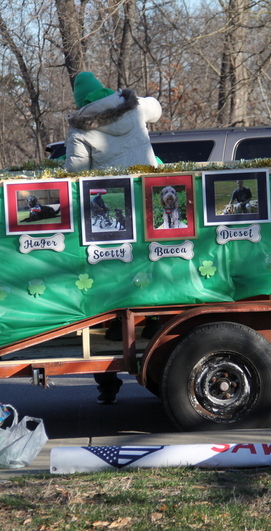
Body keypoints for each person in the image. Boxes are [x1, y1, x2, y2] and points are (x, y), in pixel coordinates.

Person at [64, 71, 162, 404]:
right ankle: (151, 318)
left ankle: (107, 379)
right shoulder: (132, 106)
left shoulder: (79, 127)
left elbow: (76, 173)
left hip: (114, 211)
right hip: (148, 201)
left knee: (112, 273)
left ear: (80, 101)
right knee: (152, 262)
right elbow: (157, 109)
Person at [64, 71, 162, 172]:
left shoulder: (79, 129)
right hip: (147, 181)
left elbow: (77, 171)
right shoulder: (135, 107)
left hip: (112, 186)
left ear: (80, 104)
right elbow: (157, 109)